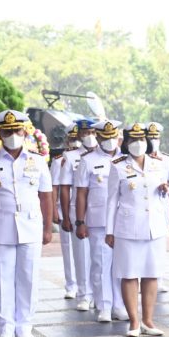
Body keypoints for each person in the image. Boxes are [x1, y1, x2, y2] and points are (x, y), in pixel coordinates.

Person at [0, 110, 53, 337]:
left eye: (16, 131)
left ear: (24, 132)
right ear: (0, 133)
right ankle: (5, 329)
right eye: (7, 131)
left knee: (28, 278)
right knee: (1, 279)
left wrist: (48, 228)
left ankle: (25, 327)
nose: (12, 135)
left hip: (30, 227)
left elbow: (46, 197)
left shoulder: (37, 161)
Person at [105, 123, 169, 337]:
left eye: (141, 139)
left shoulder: (159, 164)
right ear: (126, 143)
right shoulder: (118, 166)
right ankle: (134, 322)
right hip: (128, 227)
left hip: (154, 228)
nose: (138, 144)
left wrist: (164, 190)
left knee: (152, 274)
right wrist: (109, 230)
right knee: (129, 274)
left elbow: (161, 195)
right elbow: (112, 200)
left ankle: (148, 321)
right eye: (133, 140)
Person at [75, 120, 128, 323]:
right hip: (98, 220)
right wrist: (80, 221)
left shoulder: (126, 159)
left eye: (112, 138)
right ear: (97, 137)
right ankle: (104, 305)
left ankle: (119, 305)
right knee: (100, 263)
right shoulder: (87, 160)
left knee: (121, 264)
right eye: (105, 138)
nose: (109, 141)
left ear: (118, 137)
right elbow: (81, 193)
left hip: (122, 220)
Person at [60, 118, 97, 311]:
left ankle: (102, 296)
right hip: (78, 212)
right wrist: (66, 216)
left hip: (101, 212)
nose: (88, 137)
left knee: (101, 256)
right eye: (84, 133)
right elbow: (64, 189)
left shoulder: (107, 156)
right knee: (82, 256)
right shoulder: (71, 156)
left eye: (91, 133)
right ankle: (84, 294)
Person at [50, 123, 78, 299]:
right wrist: (54, 210)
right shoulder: (59, 160)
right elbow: (53, 188)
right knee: (68, 250)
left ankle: (87, 287)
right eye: (72, 139)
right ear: (67, 140)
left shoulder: (87, 158)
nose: (75, 142)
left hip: (85, 211)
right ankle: (71, 285)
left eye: (78, 139)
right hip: (64, 210)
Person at [146, 121, 169, 293]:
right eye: (150, 137)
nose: (154, 140)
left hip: (161, 206)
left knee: (159, 243)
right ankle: (145, 277)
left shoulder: (167, 160)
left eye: (156, 137)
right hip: (146, 207)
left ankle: (158, 278)